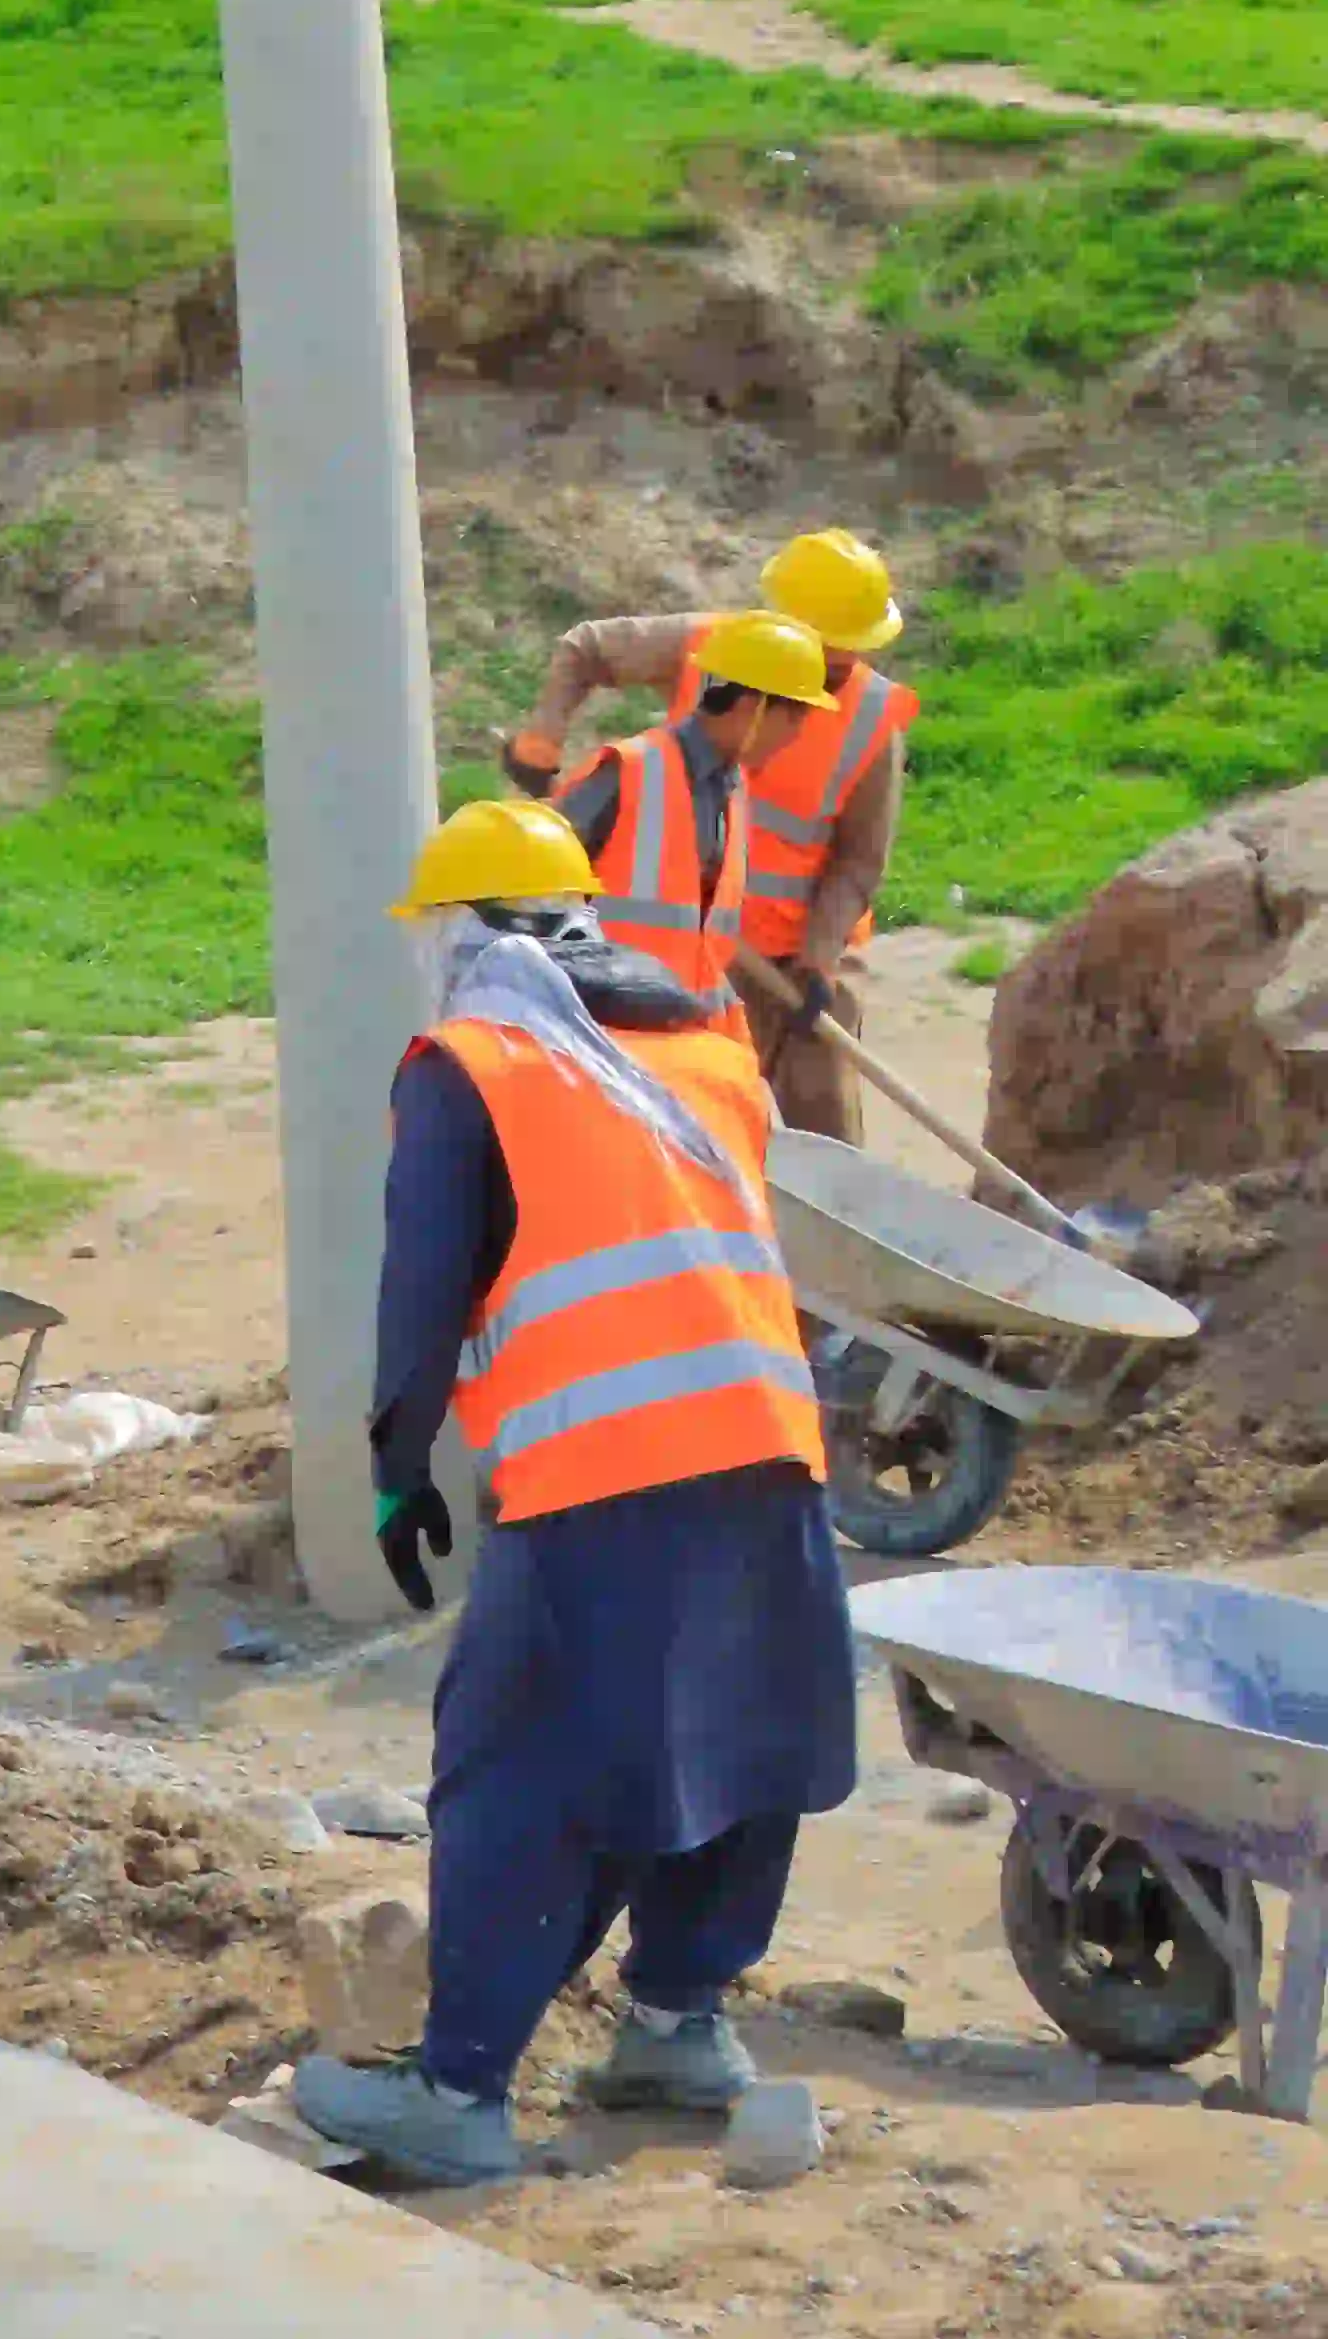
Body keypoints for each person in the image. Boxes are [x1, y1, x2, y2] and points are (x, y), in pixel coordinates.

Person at [291, 801, 854, 2189]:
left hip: (604, 1472)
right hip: (769, 1445)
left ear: (463, 933)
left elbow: (421, 1290)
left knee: (512, 1767)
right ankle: (676, 2022)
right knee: (734, 1728)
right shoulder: (705, 1041)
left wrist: (391, 1470)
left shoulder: (471, 1061)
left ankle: (461, 2091)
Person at [511, 532, 912, 1138]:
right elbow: (587, 648)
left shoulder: (873, 722)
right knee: (684, 1113)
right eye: (824, 666)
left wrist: (819, 961)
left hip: (797, 952)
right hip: (686, 942)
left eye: (847, 661)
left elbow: (859, 862)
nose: (830, 687)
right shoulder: (710, 653)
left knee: (825, 1115)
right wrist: (542, 735)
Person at [539, 607, 819, 1027]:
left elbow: (703, 944)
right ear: (751, 705)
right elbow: (536, 898)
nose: (799, 733)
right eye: (795, 716)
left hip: (680, 1041)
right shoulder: (628, 772)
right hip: (607, 1037)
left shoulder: (733, 788)